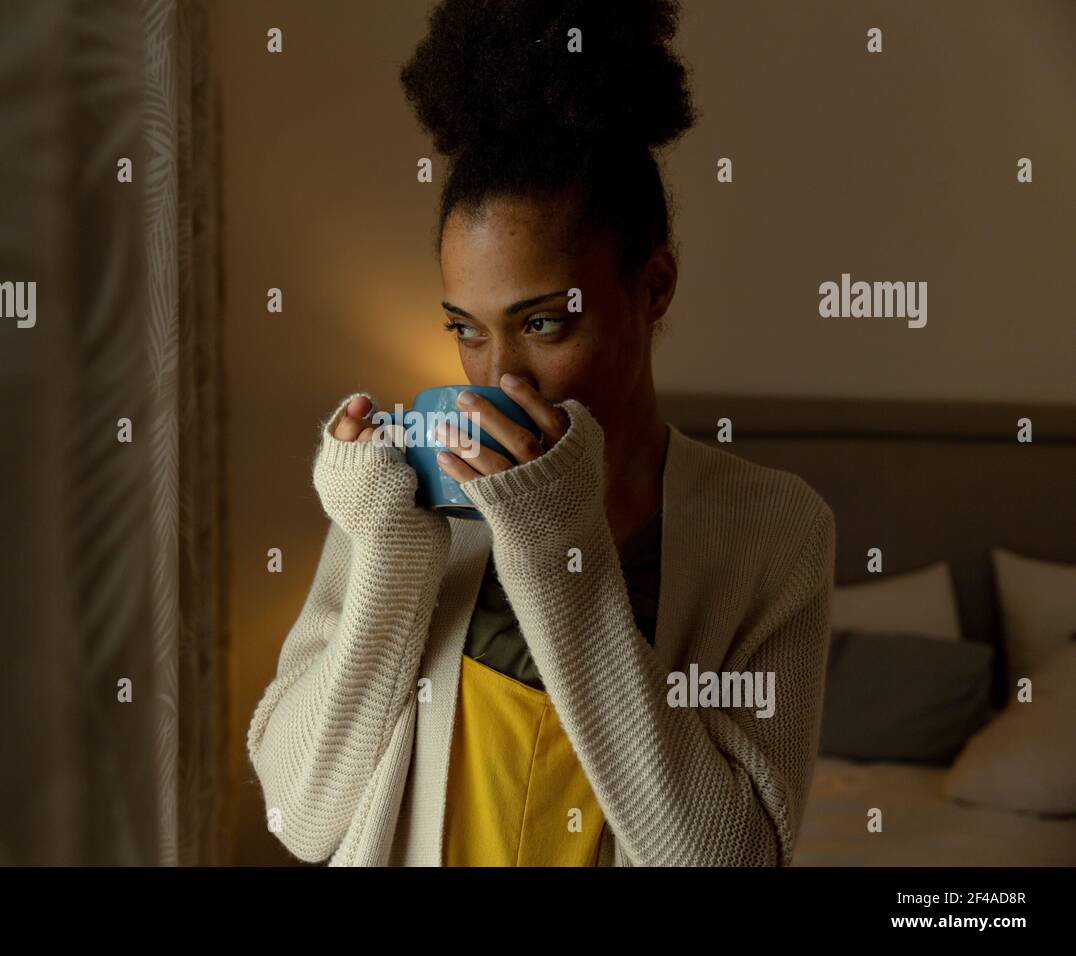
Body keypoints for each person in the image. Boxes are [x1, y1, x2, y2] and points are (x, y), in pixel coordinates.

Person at [246, 0, 835, 867]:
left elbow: (728, 858)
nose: (499, 378)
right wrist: (385, 549)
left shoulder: (773, 532)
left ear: (656, 285)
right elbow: (302, 816)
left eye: (545, 324)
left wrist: (557, 544)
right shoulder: (412, 501)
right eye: (467, 327)